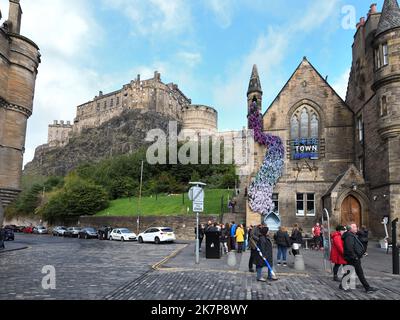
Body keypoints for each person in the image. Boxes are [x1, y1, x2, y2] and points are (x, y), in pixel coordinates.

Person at [341, 223, 378, 293]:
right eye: (354, 227)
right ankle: (367, 288)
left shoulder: (351, 235)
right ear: (350, 228)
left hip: (351, 257)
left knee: (349, 271)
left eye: (356, 227)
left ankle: (342, 285)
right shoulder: (349, 236)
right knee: (359, 273)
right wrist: (355, 257)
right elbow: (349, 248)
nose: (356, 228)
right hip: (353, 258)